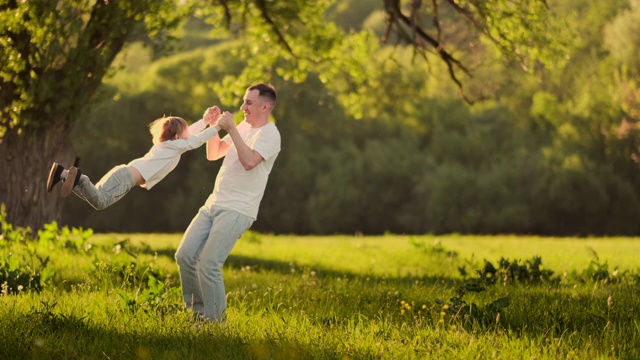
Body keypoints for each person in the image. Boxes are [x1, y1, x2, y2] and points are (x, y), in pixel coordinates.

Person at [175, 83, 281, 322]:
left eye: (249, 103)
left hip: (237, 210)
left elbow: (249, 162)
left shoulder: (270, 135)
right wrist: (213, 126)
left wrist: (232, 129)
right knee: (185, 255)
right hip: (213, 203)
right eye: (244, 101)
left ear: (265, 106)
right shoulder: (243, 126)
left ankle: (215, 324)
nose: (243, 107)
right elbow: (214, 154)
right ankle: (197, 315)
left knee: (209, 264)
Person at [46, 106, 227, 210]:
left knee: (94, 195)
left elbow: (191, 135)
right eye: (184, 132)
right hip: (126, 178)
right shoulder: (175, 146)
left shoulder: (168, 144)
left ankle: (63, 175)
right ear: (178, 136)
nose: (189, 134)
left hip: (124, 174)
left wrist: (205, 121)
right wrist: (217, 126)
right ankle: (79, 178)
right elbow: (195, 141)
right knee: (100, 202)